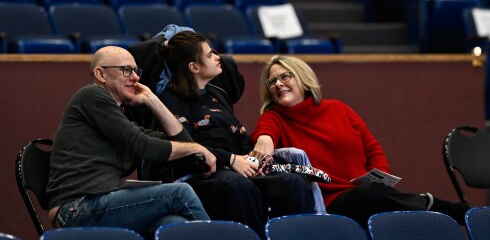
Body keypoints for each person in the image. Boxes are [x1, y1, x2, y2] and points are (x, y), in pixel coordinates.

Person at [250, 55, 472, 228]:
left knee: (376, 198)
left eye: (284, 77)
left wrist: (380, 177)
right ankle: (444, 208)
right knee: (368, 197)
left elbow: (372, 148)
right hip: (330, 204)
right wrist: (264, 139)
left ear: (303, 78)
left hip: (369, 192)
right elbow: (264, 132)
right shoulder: (274, 117)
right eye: (272, 81)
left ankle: (436, 210)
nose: (277, 84)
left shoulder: (338, 108)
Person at [156, 31, 315, 237]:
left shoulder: (218, 94)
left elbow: (239, 136)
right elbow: (187, 146)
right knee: (240, 186)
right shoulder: (170, 99)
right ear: (194, 67)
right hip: (201, 173)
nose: (218, 56)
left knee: (292, 181)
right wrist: (230, 160)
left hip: (237, 167)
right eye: (209, 54)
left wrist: (252, 159)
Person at [47, 46, 216, 238]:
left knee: (173, 225)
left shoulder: (117, 116)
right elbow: (142, 146)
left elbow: (182, 142)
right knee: (180, 193)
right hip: (75, 209)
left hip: (95, 205)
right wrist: (194, 147)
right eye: (126, 70)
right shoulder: (92, 96)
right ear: (101, 74)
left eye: (136, 71)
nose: (135, 77)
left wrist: (153, 100)